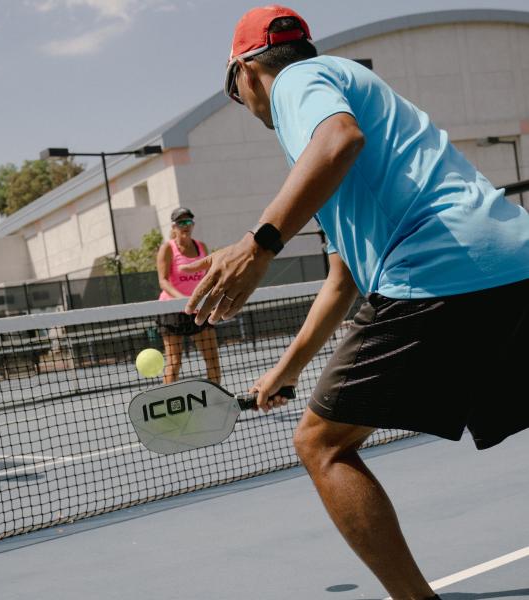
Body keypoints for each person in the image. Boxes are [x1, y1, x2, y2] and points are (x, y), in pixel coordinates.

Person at [182, 6, 529, 600]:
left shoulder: (299, 83)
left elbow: (340, 139)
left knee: (321, 445)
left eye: (236, 93)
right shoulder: (348, 122)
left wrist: (259, 243)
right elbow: (343, 280)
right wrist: (285, 372)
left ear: (244, 73)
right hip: (514, 260)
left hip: (436, 270)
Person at [156, 207, 221, 384]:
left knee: (213, 362)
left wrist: (210, 298)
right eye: (180, 222)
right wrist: (183, 300)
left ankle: (216, 402)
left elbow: (209, 277)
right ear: (174, 227)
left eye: (188, 222)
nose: (185, 225)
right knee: (174, 363)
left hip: (199, 309)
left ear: (192, 225)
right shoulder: (167, 249)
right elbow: (163, 281)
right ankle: (167, 404)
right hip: (173, 310)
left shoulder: (201, 247)